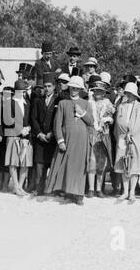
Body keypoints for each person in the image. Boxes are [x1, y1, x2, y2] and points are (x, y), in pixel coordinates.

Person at [45, 76, 94, 204]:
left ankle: (78, 194)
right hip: (67, 139)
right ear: (69, 88)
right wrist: (60, 140)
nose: (74, 90)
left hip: (82, 140)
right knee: (67, 165)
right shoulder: (63, 103)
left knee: (79, 166)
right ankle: (68, 191)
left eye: (77, 88)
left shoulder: (86, 104)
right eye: (72, 88)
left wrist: (82, 112)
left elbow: (91, 122)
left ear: (80, 90)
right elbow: (57, 124)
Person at [113, 80, 140, 202]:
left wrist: (130, 133)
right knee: (124, 164)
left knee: (134, 164)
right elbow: (118, 122)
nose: (128, 96)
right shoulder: (121, 106)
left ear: (134, 94)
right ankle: (125, 191)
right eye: (126, 93)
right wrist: (124, 133)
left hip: (135, 139)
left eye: (130, 93)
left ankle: (132, 192)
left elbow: (139, 122)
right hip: (123, 138)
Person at [28, 71, 60, 193]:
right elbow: (34, 118)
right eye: (45, 86)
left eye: (49, 86)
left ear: (54, 87)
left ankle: (52, 189)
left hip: (52, 137)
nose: (47, 89)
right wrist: (39, 133)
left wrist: (52, 132)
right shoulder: (38, 100)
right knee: (39, 165)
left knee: (52, 164)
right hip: (40, 138)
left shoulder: (58, 101)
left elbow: (59, 118)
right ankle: (39, 188)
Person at [3, 75, 32, 196]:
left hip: (25, 136)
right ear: (16, 91)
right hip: (13, 135)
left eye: (24, 91)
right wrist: (20, 129)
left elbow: (30, 119)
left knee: (25, 163)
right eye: (21, 91)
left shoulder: (27, 104)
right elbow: (7, 120)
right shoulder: (9, 103)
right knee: (13, 162)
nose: (23, 93)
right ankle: (15, 186)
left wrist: (28, 128)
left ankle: (20, 186)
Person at [86, 77, 114, 197]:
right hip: (92, 134)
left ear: (104, 93)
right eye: (96, 91)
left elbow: (112, 116)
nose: (98, 93)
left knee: (101, 163)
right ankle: (91, 189)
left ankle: (99, 189)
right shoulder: (89, 103)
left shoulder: (107, 103)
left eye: (101, 91)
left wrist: (107, 120)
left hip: (103, 135)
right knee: (91, 161)